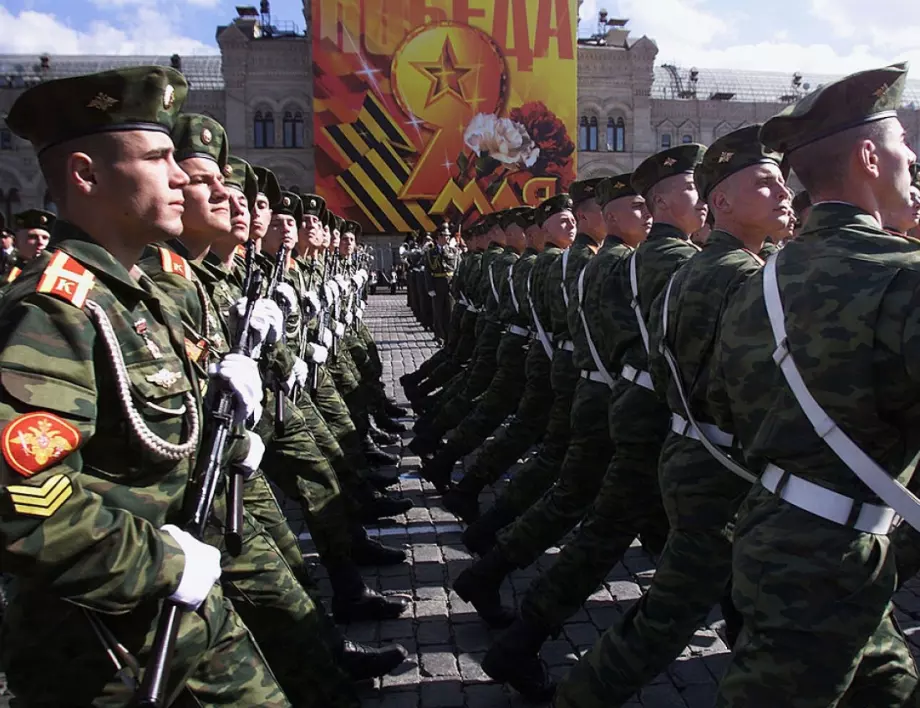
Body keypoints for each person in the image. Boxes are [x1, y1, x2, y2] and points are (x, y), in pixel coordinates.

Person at [0, 65, 291, 706]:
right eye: (160, 158)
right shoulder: (56, 311)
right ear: (86, 175)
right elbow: (23, 503)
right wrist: (162, 564)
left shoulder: (134, 295)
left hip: (174, 607)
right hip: (103, 641)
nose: (182, 176)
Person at [697, 61, 920, 708]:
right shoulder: (903, 278)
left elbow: (722, 403)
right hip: (832, 562)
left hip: (771, 531)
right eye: (905, 145)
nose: (914, 160)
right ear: (869, 159)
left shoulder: (757, 282)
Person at [554, 125, 791, 707]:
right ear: (720, 201)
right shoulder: (733, 273)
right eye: (766, 181)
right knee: (667, 604)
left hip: (682, 438)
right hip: (716, 459)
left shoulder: (692, 265)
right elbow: (745, 387)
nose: (784, 192)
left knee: (729, 594)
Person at [481, 173, 652, 700]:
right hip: (607, 392)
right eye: (574, 216)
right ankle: (486, 547)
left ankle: (489, 559)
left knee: (585, 499)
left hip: (600, 387)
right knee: (572, 491)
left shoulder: (586, 259)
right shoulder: (587, 262)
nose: (578, 223)